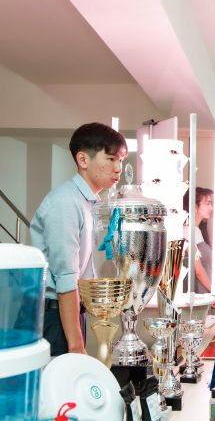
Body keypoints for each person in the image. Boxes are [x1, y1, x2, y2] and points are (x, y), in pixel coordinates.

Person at [30, 122, 127, 356]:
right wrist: (76, 345)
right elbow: (65, 278)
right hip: (53, 315)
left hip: (70, 312)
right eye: (111, 159)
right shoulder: (66, 202)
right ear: (83, 160)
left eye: (121, 160)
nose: (118, 168)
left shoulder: (89, 202)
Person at [182, 187, 215, 306]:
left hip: (205, 294)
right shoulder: (188, 232)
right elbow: (199, 271)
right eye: (207, 203)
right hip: (197, 297)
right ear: (194, 207)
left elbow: (208, 265)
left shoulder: (198, 231)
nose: (211, 208)